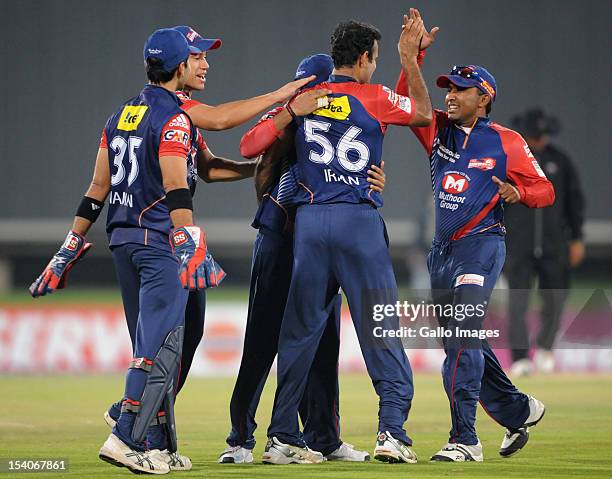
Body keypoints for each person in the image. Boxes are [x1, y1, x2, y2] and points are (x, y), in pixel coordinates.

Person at [29, 27, 316, 475]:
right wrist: (188, 238)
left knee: (185, 336)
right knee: (159, 346)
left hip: (126, 242)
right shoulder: (175, 117)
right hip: (161, 244)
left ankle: (156, 439)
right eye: (198, 57)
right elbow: (180, 180)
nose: (205, 64)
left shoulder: (122, 114)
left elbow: (105, 187)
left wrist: (71, 243)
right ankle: (126, 435)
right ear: (178, 65)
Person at [265, 16, 433, 464]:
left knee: (299, 334)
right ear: (363, 59)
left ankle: (281, 436)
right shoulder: (375, 97)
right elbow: (422, 113)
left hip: (311, 223)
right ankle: (392, 432)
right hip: (356, 222)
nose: (375, 68)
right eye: (376, 60)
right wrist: (409, 60)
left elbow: (262, 151)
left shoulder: (305, 99)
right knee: (381, 329)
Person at [396, 8, 554, 463]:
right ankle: (520, 408)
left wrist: (518, 191)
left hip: (481, 245)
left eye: (460, 90)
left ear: (483, 98)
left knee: (463, 333)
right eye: (448, 88)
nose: (450, 95)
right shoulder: (437, 130)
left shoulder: (506, 141)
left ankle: (465, 438)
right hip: (441, 254)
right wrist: (416, 56)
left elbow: (546, 189)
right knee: (463, 342)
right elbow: (408, 98)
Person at [217, 54, 386, 464]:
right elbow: (252, 148)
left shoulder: (345, 120)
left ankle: (323, 437)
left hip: (317, 243)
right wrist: (290, 110)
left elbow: (359, 174)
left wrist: (374, 185)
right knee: (262, 337)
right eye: (302, 87)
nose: (313, 95)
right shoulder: (292, 117)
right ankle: (241, 438)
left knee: (324, 342)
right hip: (281, 238)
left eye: (313, 87)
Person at [505, 108, 585, 375]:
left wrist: (576, 237)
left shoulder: (560, 161)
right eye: (535, 135)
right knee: (517, 301)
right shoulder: (509, 162)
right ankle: (519, 358)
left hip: (554, 244)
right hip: (517, 244)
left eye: (543, 135)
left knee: (555, 299)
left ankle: (545, 349)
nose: (540, 140)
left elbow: (575, 202)